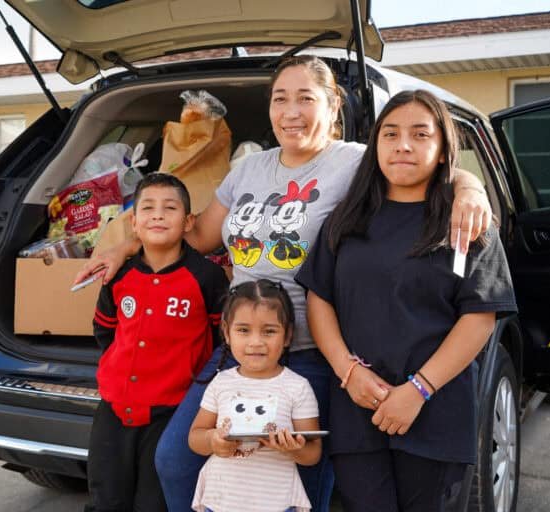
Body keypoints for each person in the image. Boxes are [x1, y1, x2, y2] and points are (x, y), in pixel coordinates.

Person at [74, 55, 493, 512]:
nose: (290, 112)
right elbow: (192, 234)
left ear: (333, 105)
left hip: (310, 353)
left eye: (305, 99)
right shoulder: (249, 170)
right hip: (235, 349)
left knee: (296, 484)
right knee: (176, 460)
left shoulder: (353, 162)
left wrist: (470, 191)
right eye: (279, 99)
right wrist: (124, 248)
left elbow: (425, 168)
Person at [296, 90, 518, 512]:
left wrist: (418, 389)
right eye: (391, 134)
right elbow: (319, 300)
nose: (402, 145)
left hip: (435, 410)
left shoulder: (465, 221)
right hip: (357, 406)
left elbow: (479, 318)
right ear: (375, 145)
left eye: (420, 135)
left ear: (441, 150)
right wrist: (348, 372)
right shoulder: (345, 221)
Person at [85, 173, 229, 512]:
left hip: (172, 411)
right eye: (147, 208)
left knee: (155, 501)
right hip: (114, 410)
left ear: (188, 221)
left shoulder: (206, 278)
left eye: (170, 208)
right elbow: (105, 331)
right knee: (107, 497)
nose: (158, 215)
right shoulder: (119, 275)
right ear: (134, 222)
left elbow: (217, 341)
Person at [189, 279, 321, 512]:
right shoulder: (221, 382)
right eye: (243, 330)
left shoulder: (297, 387)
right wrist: (213, 441)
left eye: (269, 331)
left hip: (277, 503)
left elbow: (313, 453)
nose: (256, 342)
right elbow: (195, 437)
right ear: (226, 333)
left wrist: (294, 449)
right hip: (221, 502)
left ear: (287, 335)